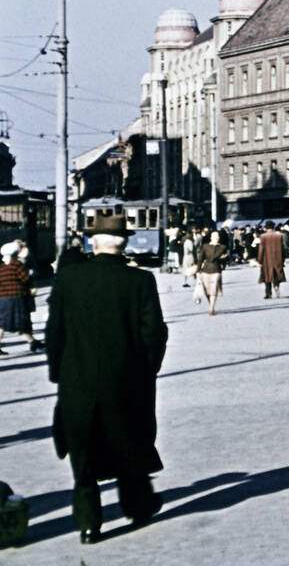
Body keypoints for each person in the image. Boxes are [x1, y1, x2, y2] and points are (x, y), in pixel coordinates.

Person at [46, 215, 167, 543]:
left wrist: (59, 372)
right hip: (127, 381)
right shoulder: (140, 280)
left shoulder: (69, 279)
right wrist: (147, 371)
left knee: (82, 451)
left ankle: (88, 524)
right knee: (128, 441)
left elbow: (55, 332)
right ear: (124, 243)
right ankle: (138, 505)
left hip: (78, 379)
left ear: (93, 242)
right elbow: (154, 333)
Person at [0, 241, 43, 353]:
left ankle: (33, 342)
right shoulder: (17, 265)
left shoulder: (2, 268)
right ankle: (33, 343)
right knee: (22, 322)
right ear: (15, 254)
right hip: (17, 298)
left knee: (3, 323)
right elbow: (25, 279)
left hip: (3, 299)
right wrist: (31, 281)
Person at [197, 231, 228, 316]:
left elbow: (225, 260)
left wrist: (224, 258)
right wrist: (198, 270)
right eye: (215, 236)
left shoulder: (222, 247)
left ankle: (211, 308)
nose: (217, 238)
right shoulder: (205, 246)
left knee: (214, 288)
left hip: (216, 270)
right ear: (211, 237)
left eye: (218, 236)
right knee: (207, 290)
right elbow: (200, 259)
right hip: (206, 270)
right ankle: (211, 304)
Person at [257, 225, 286, 299]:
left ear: (266, 228)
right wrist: (283, 259)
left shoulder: (263, 236)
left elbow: (261, 249)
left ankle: (268, 293)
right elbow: (283, 248)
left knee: (267, 276)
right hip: (277, 258)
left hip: (266, 259)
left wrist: (259, 260)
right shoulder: (279, 236)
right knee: (276, 274)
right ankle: (276, 286)